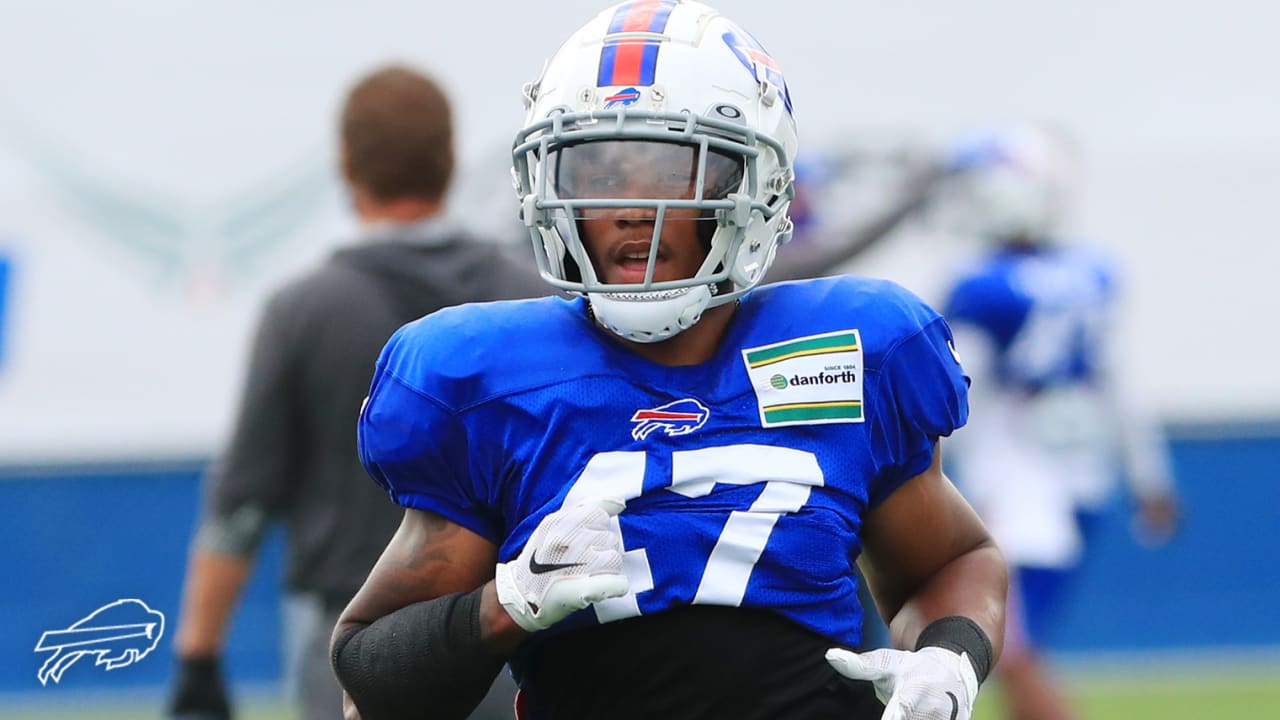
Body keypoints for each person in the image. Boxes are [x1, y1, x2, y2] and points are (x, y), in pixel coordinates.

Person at [331, 3, 1008, 719]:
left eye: (667, 168)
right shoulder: (487, 381)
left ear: (752, 188)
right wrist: (505, 604)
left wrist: (947, 658)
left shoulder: (851, 350)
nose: (629, 205)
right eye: (595, 168)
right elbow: (367, 685)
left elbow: (954, 562)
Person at [165, 65, 544, 720]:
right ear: (449, 160)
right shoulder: (534, 304)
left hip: (354, 659)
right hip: (507, 642)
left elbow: (242, 507)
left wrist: (199, 656)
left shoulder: (303, 310)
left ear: (345, 163)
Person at [939, 124, 1180, 720]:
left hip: (1021, 477)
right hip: (1084, 474)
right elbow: (1116, 384)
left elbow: (949, 389)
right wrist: (1150, 476)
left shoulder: (985, 287)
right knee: (1012, 646)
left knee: (1006, 646)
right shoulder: (1093, 273)